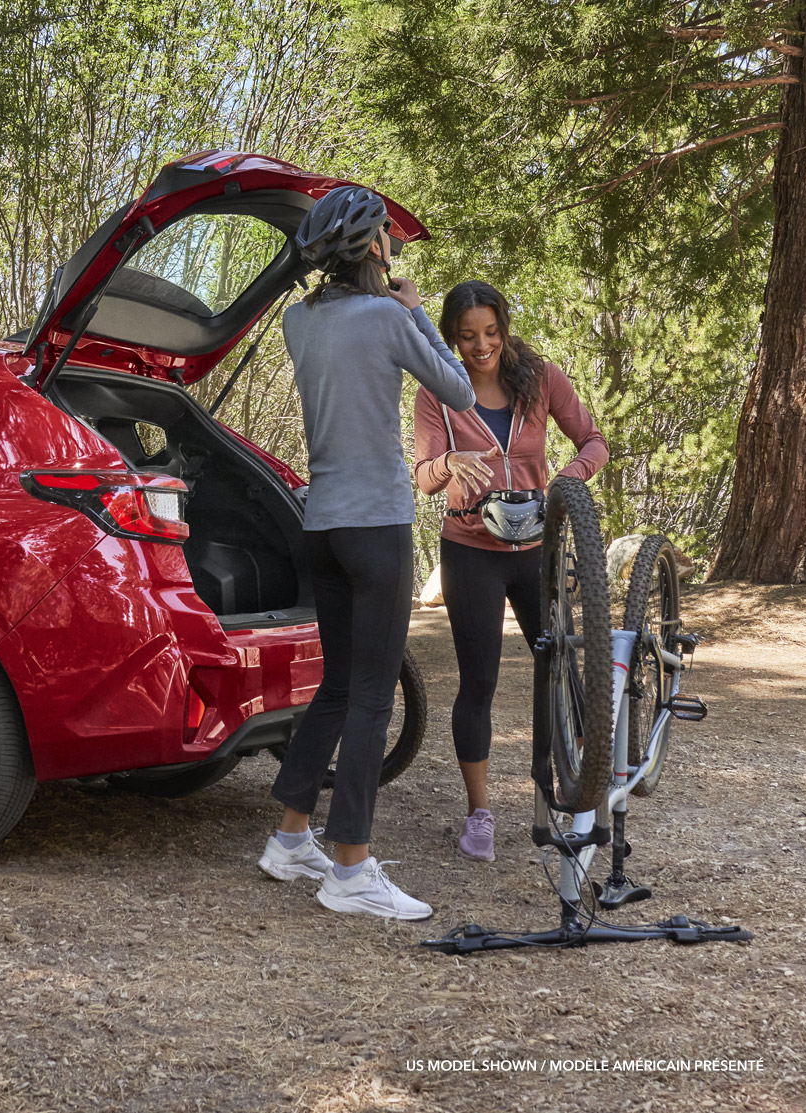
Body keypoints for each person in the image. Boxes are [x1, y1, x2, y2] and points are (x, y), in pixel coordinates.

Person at [256, 186, 475, 921]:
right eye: (386, 234)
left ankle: (290, 839)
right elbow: (458, 388)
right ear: (374, 246)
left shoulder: (297, 322)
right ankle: (349, 865)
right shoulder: (388, 316)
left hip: (322, 524)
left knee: (339, 686)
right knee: (372, 694)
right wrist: (415, 311)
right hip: (377, 525)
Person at [413, 279, 608, 862]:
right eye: (468, 336)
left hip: (537, 553)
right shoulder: (438, 392)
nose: (481, 346)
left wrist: (568, 478)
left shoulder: (541, 377)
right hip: (470, 550)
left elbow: (593, 441)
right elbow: (422, 476)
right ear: (451, 338)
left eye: (491, 332)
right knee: (479, 684)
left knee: (563, 672)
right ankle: (479, 815)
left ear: (504, 326)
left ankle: (574, 798)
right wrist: (448, 463)